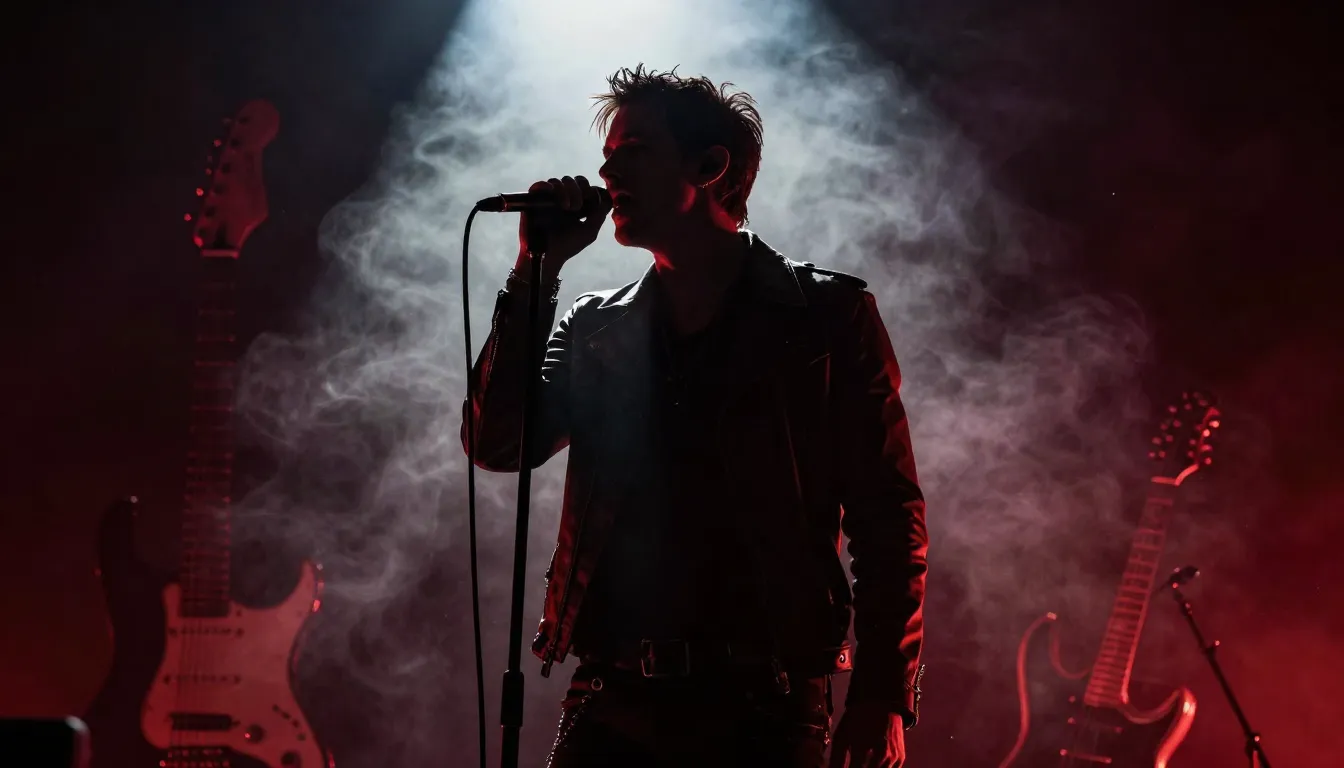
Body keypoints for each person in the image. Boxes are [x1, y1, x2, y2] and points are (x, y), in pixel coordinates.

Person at [461, 64, 928, 768]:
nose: (606, 172)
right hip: (610, 699)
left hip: (764, 710)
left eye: (633, 151)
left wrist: (883, 692)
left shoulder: (826, 318)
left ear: (711, 167)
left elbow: (888, 518)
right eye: (606, 155)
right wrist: (536, 272)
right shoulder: (596, 327)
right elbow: (499, 443)